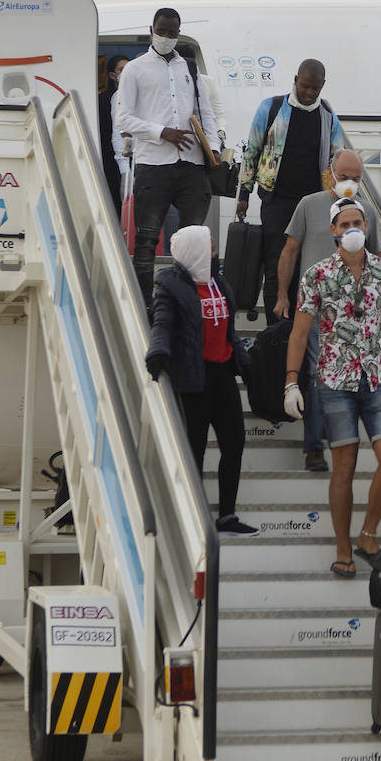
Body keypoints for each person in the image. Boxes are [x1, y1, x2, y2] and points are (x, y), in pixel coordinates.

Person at [284, 196, 381, 577]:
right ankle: (343, 548)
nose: (352, 230)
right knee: (344, 466)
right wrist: (291, 382)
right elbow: (299, 334)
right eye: (344, 225)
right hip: (334, 382)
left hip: (377, 379)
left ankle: (368, 533)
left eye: (357, 223)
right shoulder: (316, 275)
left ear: (366, 226)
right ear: (333, 230)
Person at [273, 150, 381, 473]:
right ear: (330, 174)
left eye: (356, 178)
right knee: (315, 373)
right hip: (315, 307)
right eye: (344, 176)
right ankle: (314, 448)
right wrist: (282, 294)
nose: (350, 183)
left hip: (355, 313)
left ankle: (334, 439)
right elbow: (290, 250)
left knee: (349, 377)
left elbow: (378, 257)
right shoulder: (309, 205)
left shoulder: (366, 213)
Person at [145, 225, 257, 536]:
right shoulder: (170, 285)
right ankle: (192, 518)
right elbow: (162, 323)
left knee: (234, 442)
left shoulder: (219, 283)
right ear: (194, 250)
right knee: (194, 449)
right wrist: (158, 351)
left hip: (223, 374)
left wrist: (245, 363)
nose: (214, 250)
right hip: (193, 377)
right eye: (209, 246)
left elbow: (229, 331)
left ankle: (227, 516)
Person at [115, 8, 219, 306]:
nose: (166, 37)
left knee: (194, 239)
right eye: (162, 31)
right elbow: (123, 119)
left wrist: (212, 146)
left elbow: (205, 113)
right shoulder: (135, 69)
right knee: (147, 239)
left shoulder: (190, 68)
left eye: (172, 33)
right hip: (153, 163)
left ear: (179, 33)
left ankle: (190, 301)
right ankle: (145, 305)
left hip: (191, 163)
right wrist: (162, 132)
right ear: (152, 30)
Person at [236, 60, 344, 323]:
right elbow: (252, 151)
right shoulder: (271, 108)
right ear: (295, 80)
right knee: (276, 266)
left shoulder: (327, 115)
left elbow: (337, 158)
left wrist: (338, 199)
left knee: (307, 267)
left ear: (323, 86)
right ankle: (276, 328)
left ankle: (299, 327)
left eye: (315, 88)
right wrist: (244, 195)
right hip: (277, 201)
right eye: (305, 86)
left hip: (313, 204)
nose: (309, 93)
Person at [175, 42, 227, 147]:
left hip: (206, 141)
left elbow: (218, 114)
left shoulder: (207, 82)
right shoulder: (168, 84)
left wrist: (220, 132)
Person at [98, 54, 129, 215]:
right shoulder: (104, 99)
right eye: (121, 69)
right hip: (110, 153)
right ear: (112, 75)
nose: (126, 72)